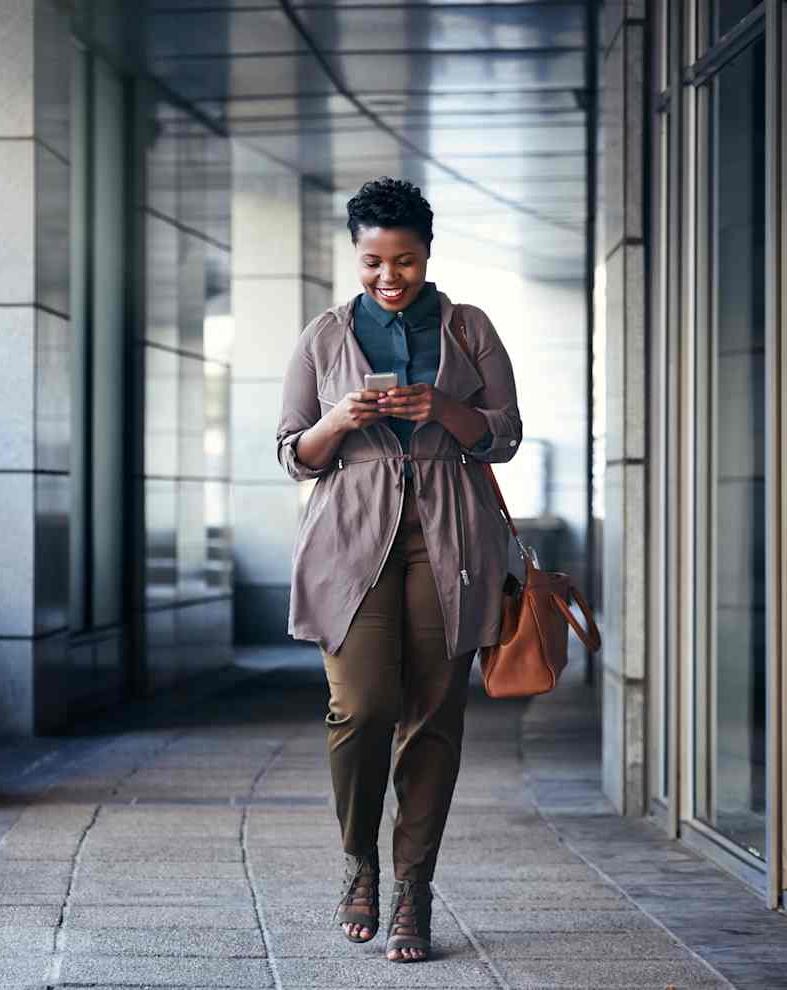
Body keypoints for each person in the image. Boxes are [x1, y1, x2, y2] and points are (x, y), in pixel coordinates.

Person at [273, 177, 522, 962]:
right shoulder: (322, 336)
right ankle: (359, 863)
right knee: (360, 707)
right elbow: (291, 453)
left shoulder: (470, 328)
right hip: (350, 538)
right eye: (374, 261)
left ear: (426, 253)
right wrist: (339, 419)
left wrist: (441, 410)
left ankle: (413, 889)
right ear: (355, 255)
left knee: (435, 714)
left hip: (448, 538)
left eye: (405, 261)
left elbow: (505, 435)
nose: (390, 277)